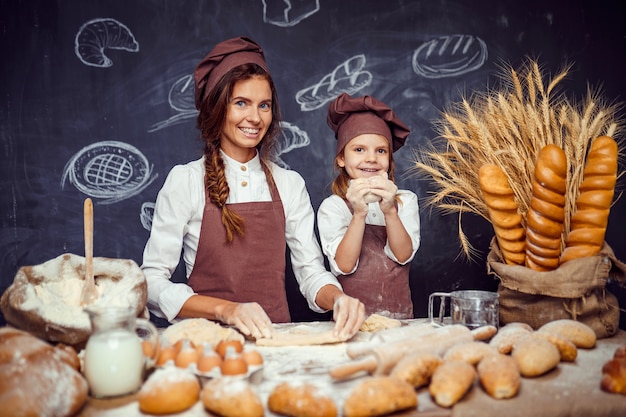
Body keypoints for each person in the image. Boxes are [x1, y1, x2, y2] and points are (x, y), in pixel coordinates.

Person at [141, 37, 365, 340]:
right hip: (207, 345)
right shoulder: (186, 181)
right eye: (241, 103)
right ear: (218, 108)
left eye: (264, 105)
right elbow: (152, 282)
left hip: (275, 343)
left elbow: (310, 272)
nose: (255, 118)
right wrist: (226, 310)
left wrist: (338, 300)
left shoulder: (289, 184)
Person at [317, 93, 420, 319]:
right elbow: (344, 265)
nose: (371, 158)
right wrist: (359, 214)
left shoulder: (406, 200)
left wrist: (390, 210)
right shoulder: (333, 207)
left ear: (389, 160)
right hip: (351, 322)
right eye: (359, 149)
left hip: (400, 322)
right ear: (341, 159)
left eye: (381, 151)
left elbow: (403, 255)